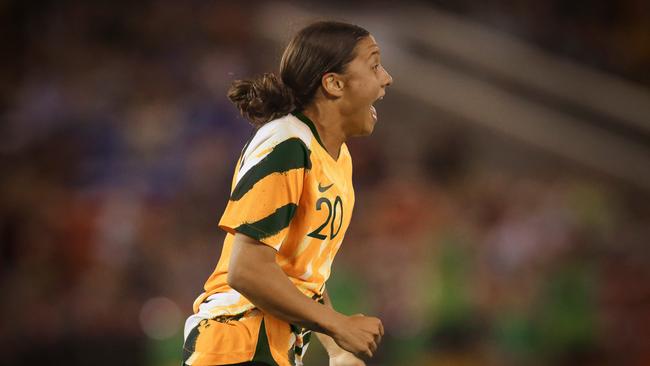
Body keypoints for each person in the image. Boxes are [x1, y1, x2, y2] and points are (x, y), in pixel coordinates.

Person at [182, 20, 393, 366]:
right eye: (374, 65)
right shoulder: (287, 143)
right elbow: (247, 269)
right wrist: (338, 325)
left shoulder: (336, 159)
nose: (386, 78)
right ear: (334, 83)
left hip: (268, 349)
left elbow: (296, 274)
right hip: (236, 343)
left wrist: (335, 346)